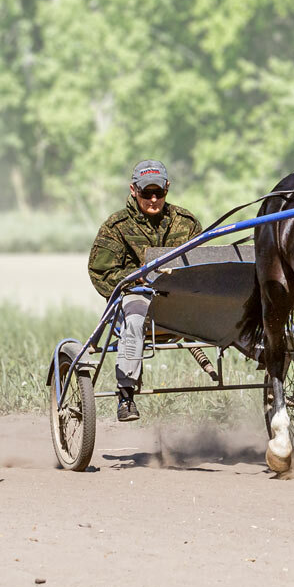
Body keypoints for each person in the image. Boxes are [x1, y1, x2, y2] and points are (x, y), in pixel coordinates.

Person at [88, 160, 202, 422]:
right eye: (145, 193)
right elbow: (101, 272)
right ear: (132, 190)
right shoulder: (116, 227)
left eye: (159, 193)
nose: (153, 199)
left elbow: (202, 263)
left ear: (167, 189)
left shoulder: (185, 223)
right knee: (136, 318)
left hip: (179, 300)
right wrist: (136, 280)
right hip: (134, 297)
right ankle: (126, 394)